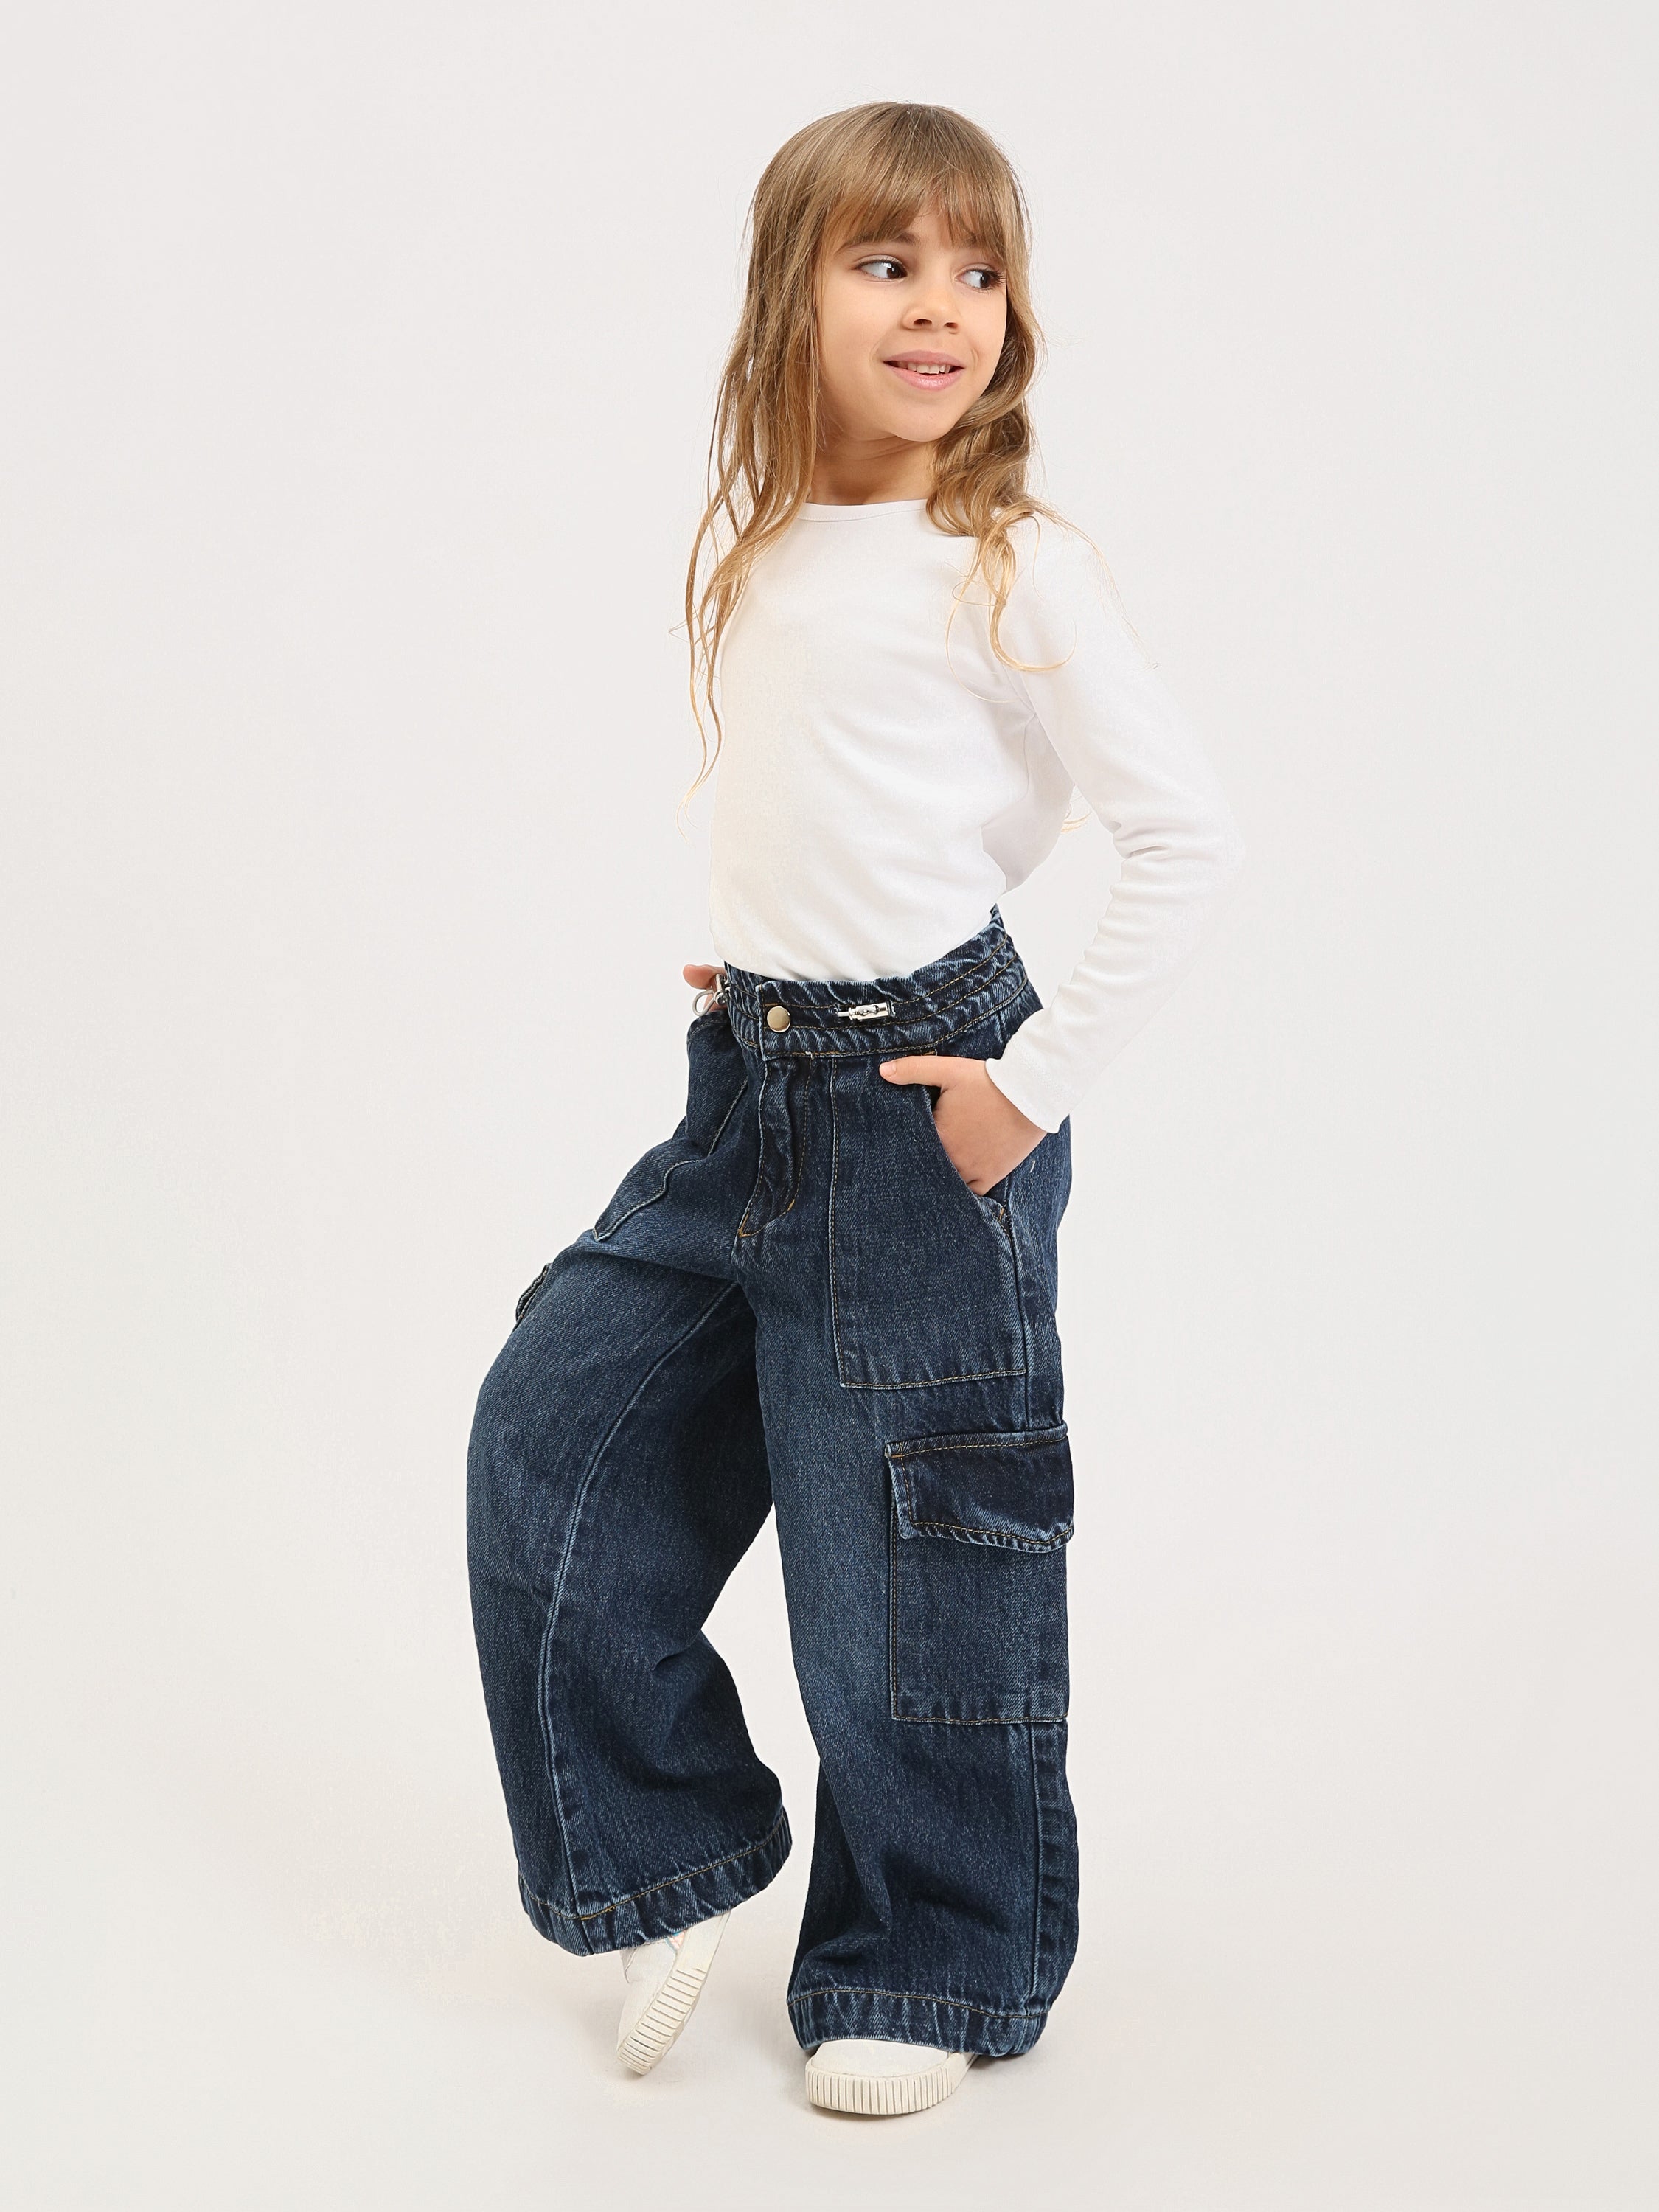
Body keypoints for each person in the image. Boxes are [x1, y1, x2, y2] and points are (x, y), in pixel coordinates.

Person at [467, 100, 1245, 2118]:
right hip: (750, 1089)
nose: (940, 308)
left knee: (904, 1557)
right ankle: (666, 1852)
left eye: (978, 271)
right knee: (552, 1439)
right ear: (787, 296)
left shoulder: (1011, 560)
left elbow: (1175, 835)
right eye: (886, 263)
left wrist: (1020, 1080)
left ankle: (931, 1956)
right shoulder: (764, 544)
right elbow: (872, 787)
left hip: (920, 1115)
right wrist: (779, 955)